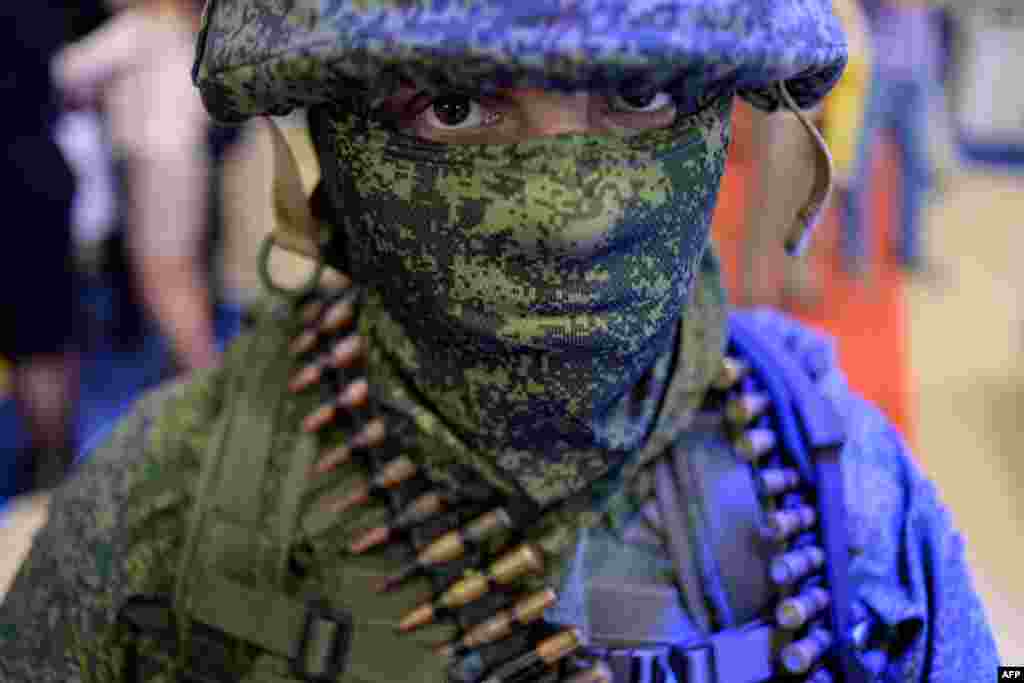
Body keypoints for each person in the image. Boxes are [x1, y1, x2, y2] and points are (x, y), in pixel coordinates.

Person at [0, 1, 998, 681]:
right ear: (328, 151)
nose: (572, 220)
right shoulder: (169, 494)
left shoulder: (839, 488)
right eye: (454, 106)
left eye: (640, 95)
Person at [52, 0, 222, 373]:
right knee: (180, 275)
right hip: (177, 162)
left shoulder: (144, 23)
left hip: (160, 167)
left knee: (162, 278)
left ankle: (206, 374)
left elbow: (65, 70)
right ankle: (197, 373)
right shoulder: (176, 22)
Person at [0, 5, 81, 492]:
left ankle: (51, 469)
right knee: (48, 330)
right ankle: (53, 457)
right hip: (39, 168)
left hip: (15, 182)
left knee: (35, 337)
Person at [842, 0, 947, 279]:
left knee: (917, 167)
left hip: (920, 66)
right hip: (876, 67)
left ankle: (910, 250)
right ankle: (854, 251)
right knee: (858, 164)